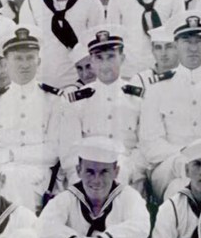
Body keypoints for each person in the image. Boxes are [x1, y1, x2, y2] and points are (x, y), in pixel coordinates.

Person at [137, 14, 201, 200]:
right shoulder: (157, 88)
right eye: (186, 41)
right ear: (175, 45)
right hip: (171, 167)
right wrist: (189, 160)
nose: (193, 48)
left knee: (182, 190)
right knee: (179, 188)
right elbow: (151, 145)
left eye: (199, 40)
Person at [0, 26, 66, 211]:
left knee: (15, 182)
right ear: (5, 63)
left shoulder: (53, 100)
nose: (25, 64)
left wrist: (10, 155)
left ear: (38, 61)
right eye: (18, 58)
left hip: (41, 178)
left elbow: (54, 151)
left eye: (30, 57)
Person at [60, 25, 148, 191]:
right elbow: (69, 152)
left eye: (111, 57)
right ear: (91, 61)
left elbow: (145, 146)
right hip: (87, 173)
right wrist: (79, 179)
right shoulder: (77, 101)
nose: (105, 64)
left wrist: (132, 172)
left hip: (128, 174)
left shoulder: (138, 99)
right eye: (99, 58)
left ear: (122, 58)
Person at [18, 0, 106, 90]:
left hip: (80, 84)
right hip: (42, 84)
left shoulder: (91, 3)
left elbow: (96, 48)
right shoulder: (32, 3)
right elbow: (28, 48)